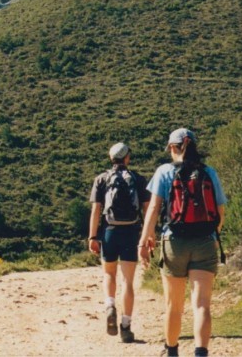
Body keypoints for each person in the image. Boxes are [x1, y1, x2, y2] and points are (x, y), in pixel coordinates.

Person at [138, 128, 227, 357]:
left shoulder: (164, 171)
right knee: (202, 305)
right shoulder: (209, 172)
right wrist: (212, 235)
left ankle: (172, 351)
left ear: (171, 147)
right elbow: (220, 212)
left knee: (173, 306)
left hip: (174, 242)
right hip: (205, 241)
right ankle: (200, 352)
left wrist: (145, 239)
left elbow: (154, 209)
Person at [87, 142, 151, 343]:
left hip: (109, 232)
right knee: (128, 281)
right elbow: (148, 209)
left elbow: (96, 210)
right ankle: (125, 326)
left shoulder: (102, 179)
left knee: (109, 273)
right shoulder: (138, 179)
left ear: (110, 158)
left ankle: (110, 305)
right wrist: (148, 236)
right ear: (127, 158)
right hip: (131, 232)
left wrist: (92, 237)